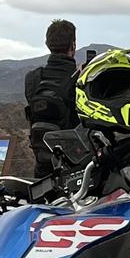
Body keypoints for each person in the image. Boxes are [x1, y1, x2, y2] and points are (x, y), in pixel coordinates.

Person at [24, 19, 79, 177]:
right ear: (73, 45)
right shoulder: (80, 79)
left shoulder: (33, 78)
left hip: (42, 163)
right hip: (74, 165)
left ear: (47, 44)